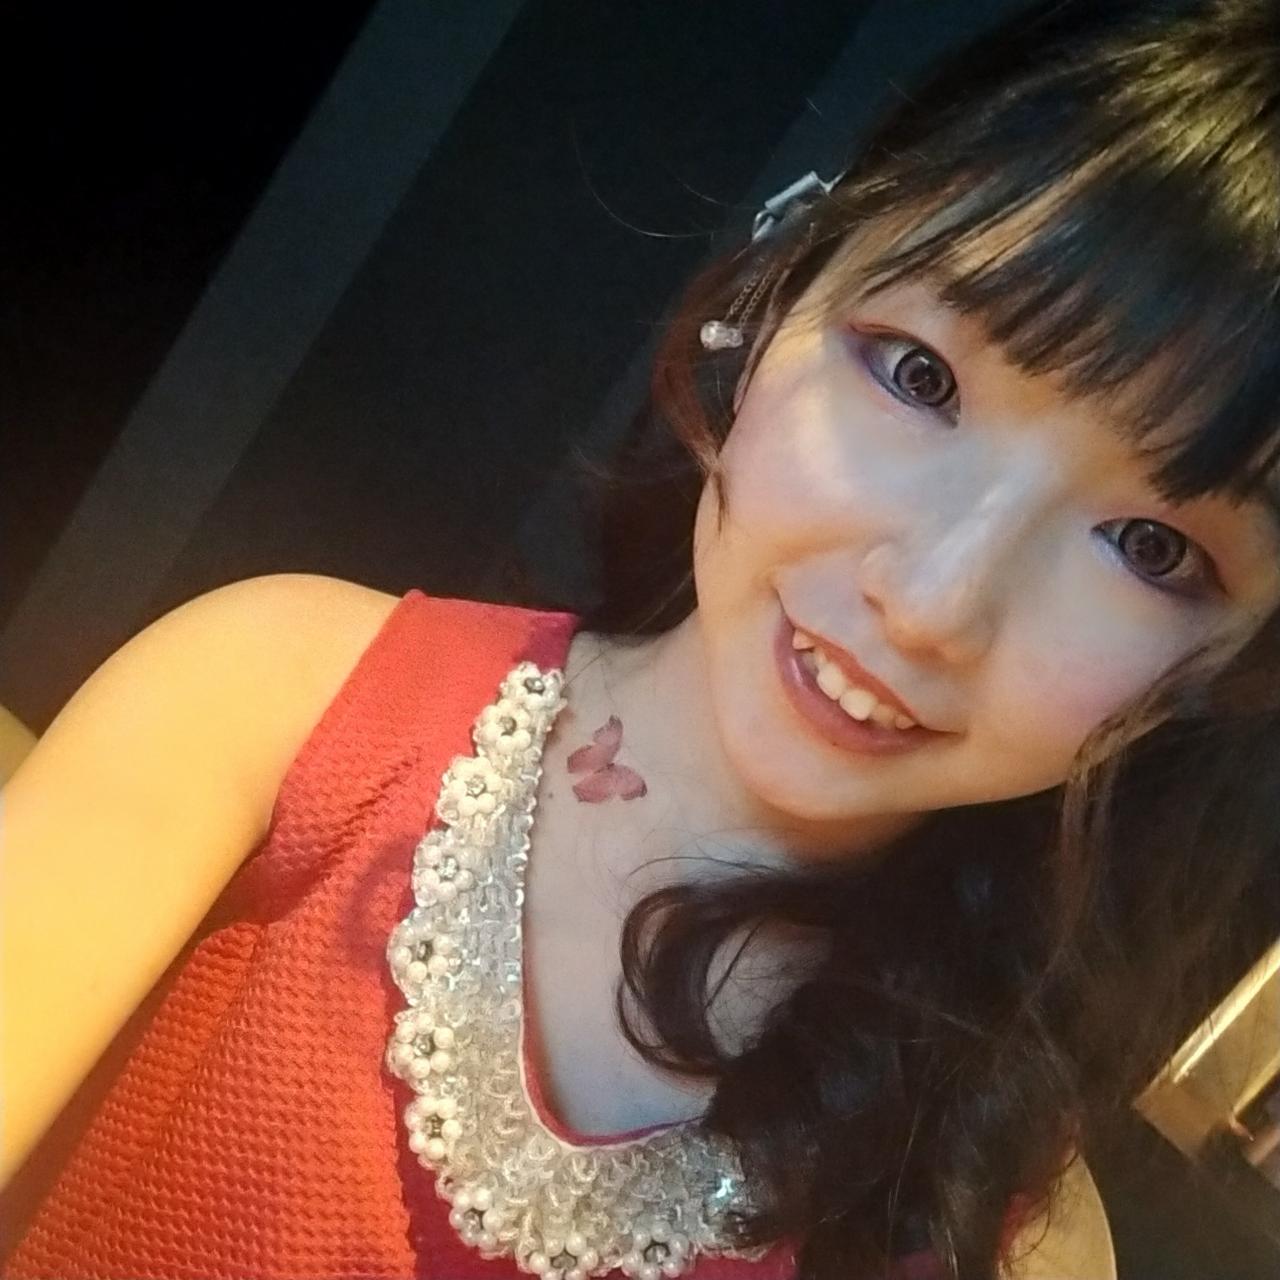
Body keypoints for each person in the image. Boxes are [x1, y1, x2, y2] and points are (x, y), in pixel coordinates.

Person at [4, 0, 1279, 1276]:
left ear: (1237, 661)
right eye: (918, 376)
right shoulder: (278, 699)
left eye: (1149, 547)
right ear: (781, 280)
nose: (930, 603)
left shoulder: (999, 1225)